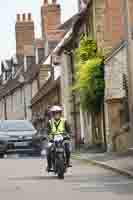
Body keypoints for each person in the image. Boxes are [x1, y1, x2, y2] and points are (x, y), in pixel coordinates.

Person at [46, 105, 71, 171]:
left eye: (58, 113)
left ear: (60, 113)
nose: (56, 115)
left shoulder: (64, 121)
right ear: (53, 114)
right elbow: (47, 131)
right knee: (48, 150)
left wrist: (68, 135)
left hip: (63, 138)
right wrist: (48, 136)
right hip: (53, 138)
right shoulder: (50, 122)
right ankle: (49, 165)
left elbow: (69, 130)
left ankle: (68, 162)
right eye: (55, 113)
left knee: (68, 149)